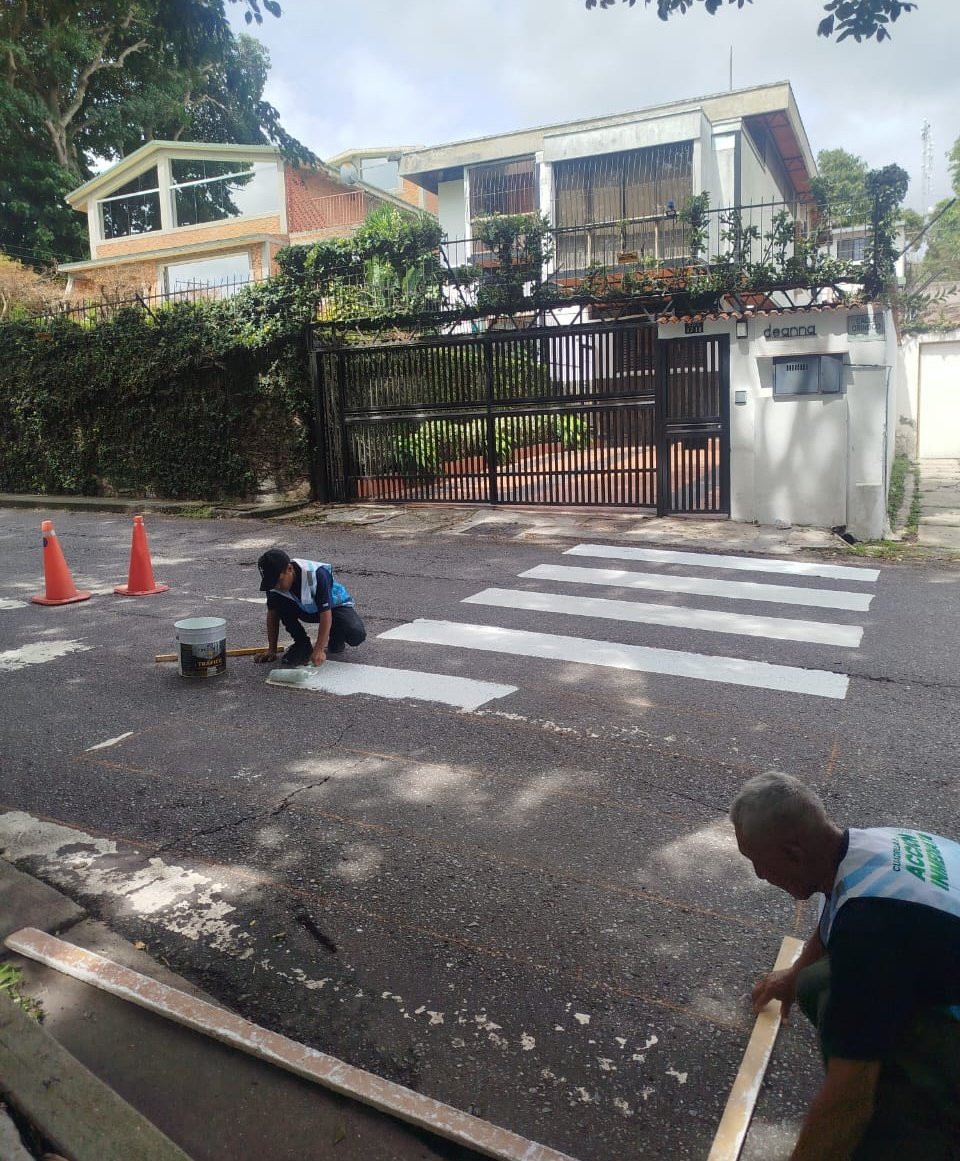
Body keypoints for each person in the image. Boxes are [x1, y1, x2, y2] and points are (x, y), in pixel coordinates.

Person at [730, 771, 960, 1161]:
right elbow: (833, 912)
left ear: (792, 855)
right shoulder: (864, 848)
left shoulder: (870, 931)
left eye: (757, 862)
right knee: (814, 981)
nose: (759, 875)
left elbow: (848, 1100)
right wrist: (793, 974)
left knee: (864, 1124)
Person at [254, 548, 365, 668]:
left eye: (279, 581)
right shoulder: (274, 586)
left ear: (289, 569)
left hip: (334, 608)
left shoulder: (316, 574)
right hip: (305, 609)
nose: (277, 586)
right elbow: (272, 614)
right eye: (272, 583)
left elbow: (326, 613)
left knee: (356, 634)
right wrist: (272, 649)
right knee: (277, 602)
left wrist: (319, 649)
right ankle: (302, 644)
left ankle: (336, 635)